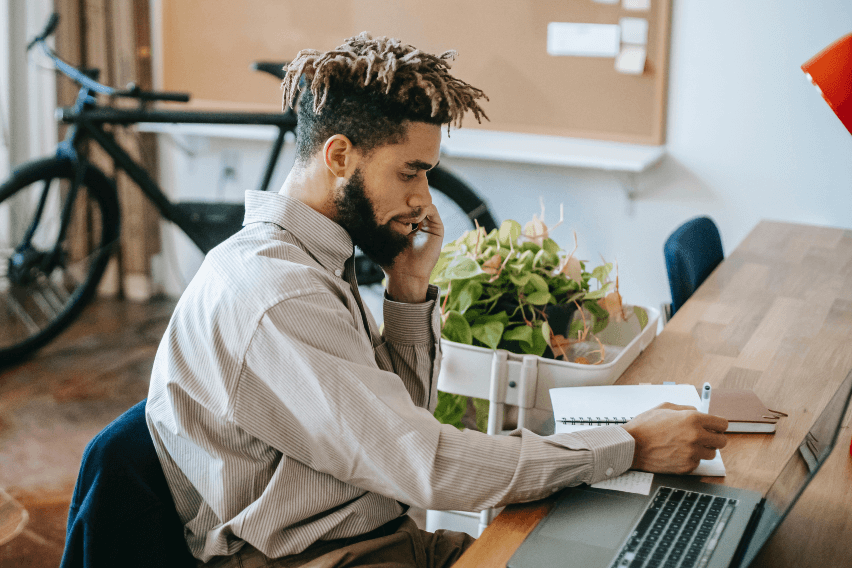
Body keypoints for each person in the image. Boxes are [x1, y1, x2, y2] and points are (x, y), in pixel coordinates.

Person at [145, 33, 728, 568]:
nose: (425, 201)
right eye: (411, 173)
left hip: (380, 537)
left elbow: (401, 423)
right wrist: (627, 445)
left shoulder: (313, 259)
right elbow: (427, 463)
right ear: (340, 156)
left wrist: (407, 290)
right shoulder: (280, 295)